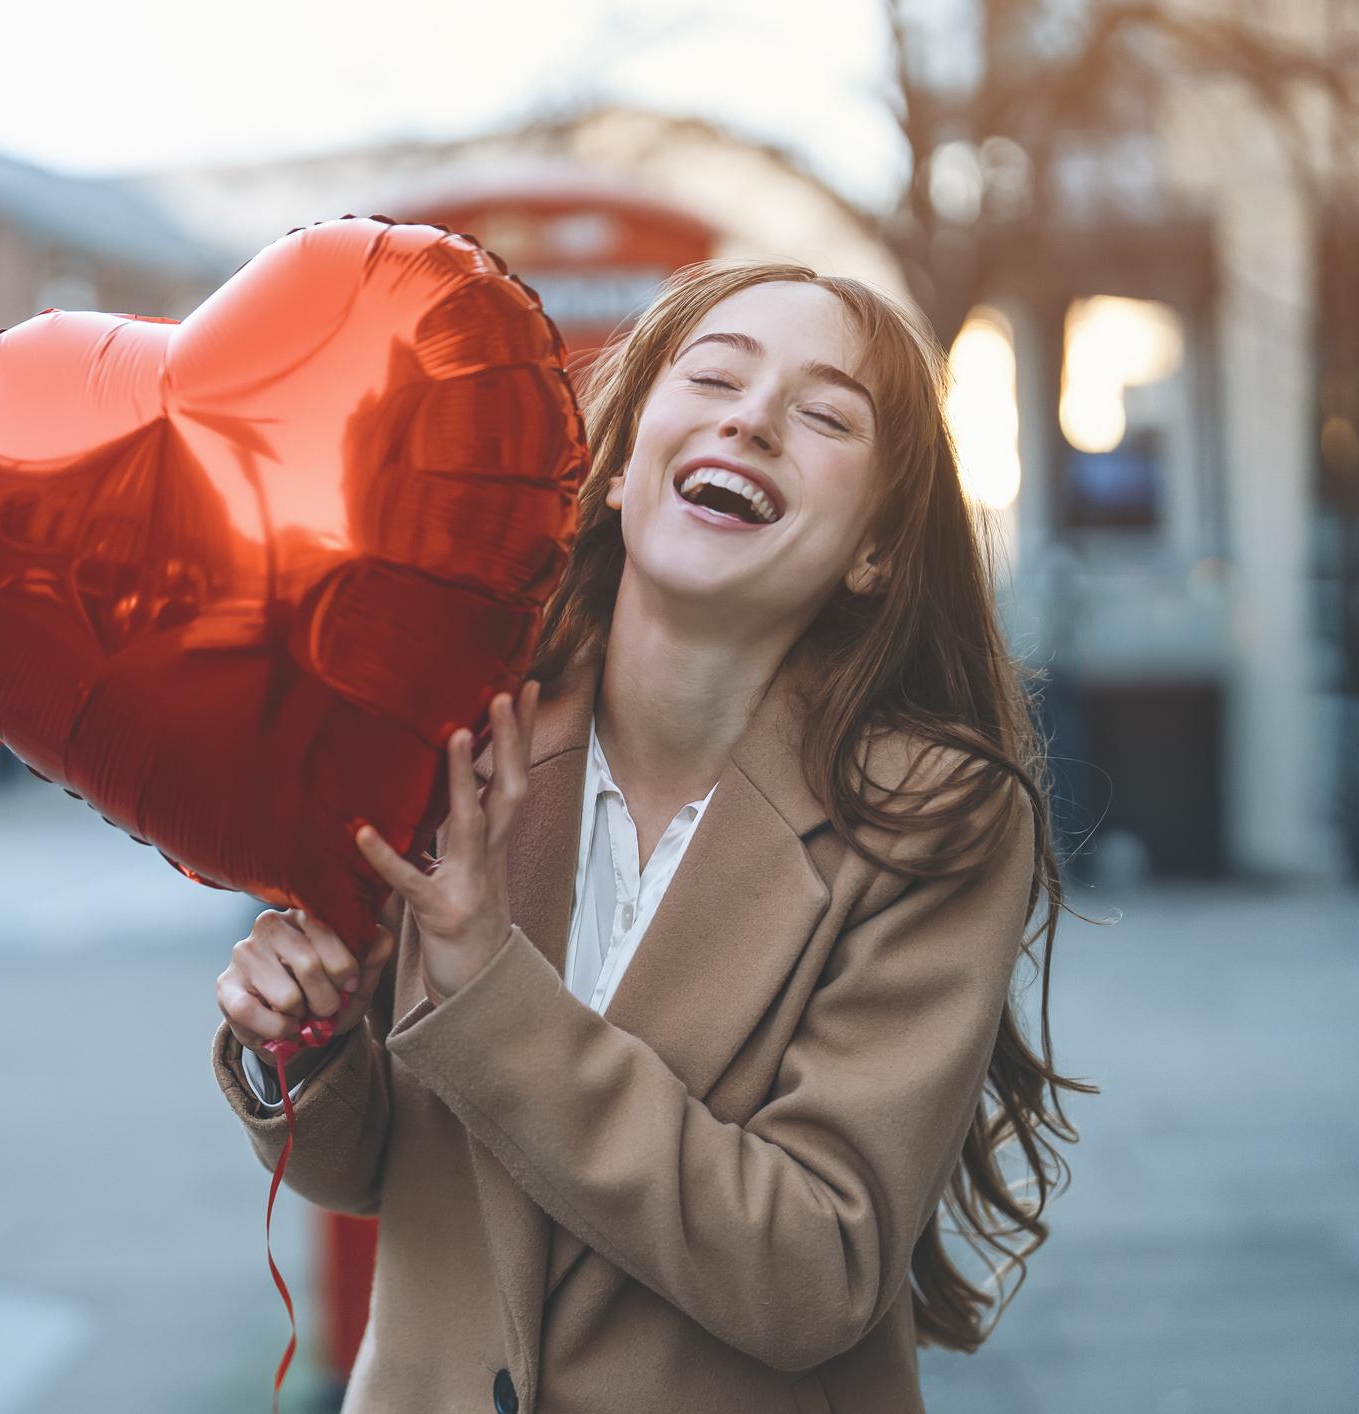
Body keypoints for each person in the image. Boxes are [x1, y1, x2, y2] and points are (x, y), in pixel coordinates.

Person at [210, 259, 1098, 1412]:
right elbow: (380, 1171)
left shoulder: (934, 823)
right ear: (624, 466)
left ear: (876, 550)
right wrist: (311, 1044)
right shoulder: (451, 732)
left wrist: (488, 989)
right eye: (717, 375)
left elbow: (816, 1271)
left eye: (825, 414)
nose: (753, 416)